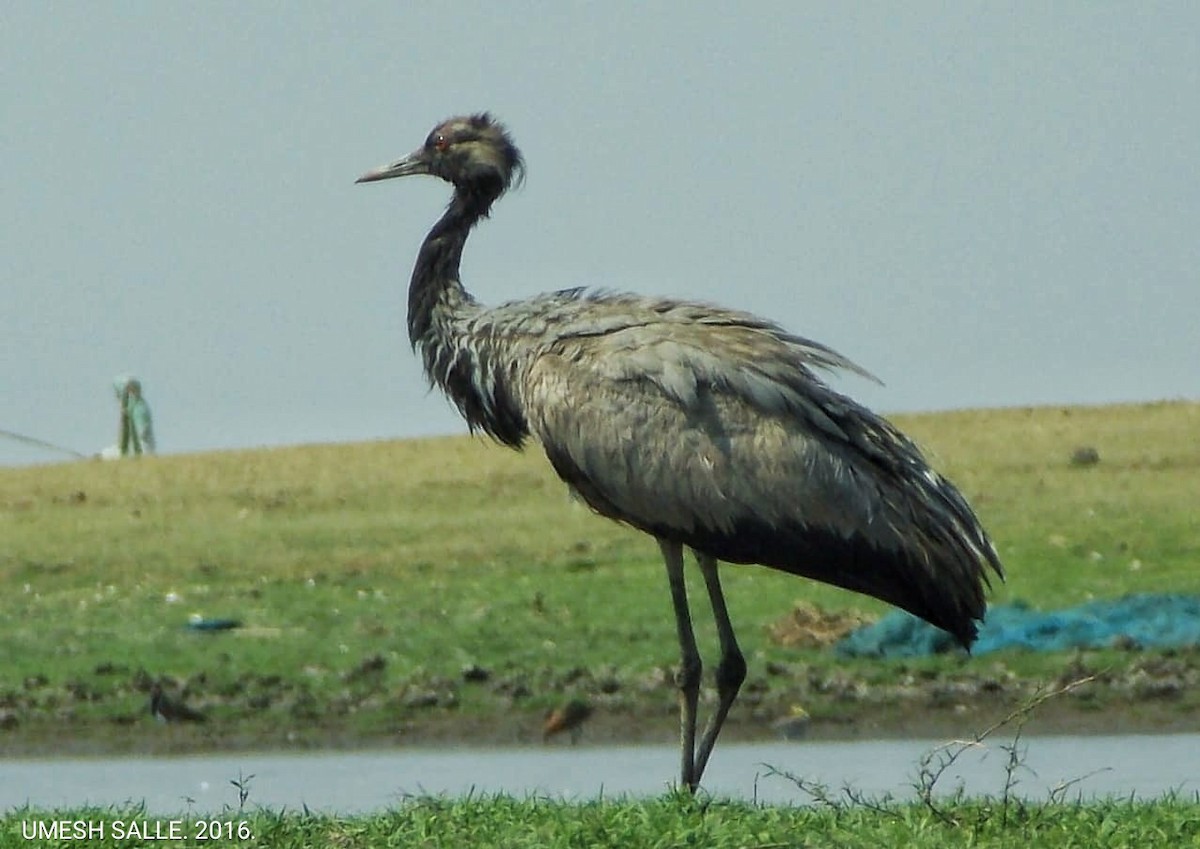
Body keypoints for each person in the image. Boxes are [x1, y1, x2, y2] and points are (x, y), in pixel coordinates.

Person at [114, 375, 155, 456]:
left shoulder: (138, 406)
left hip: (141, 434)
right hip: (134, 429)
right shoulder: (131, 403)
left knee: (142, 443)